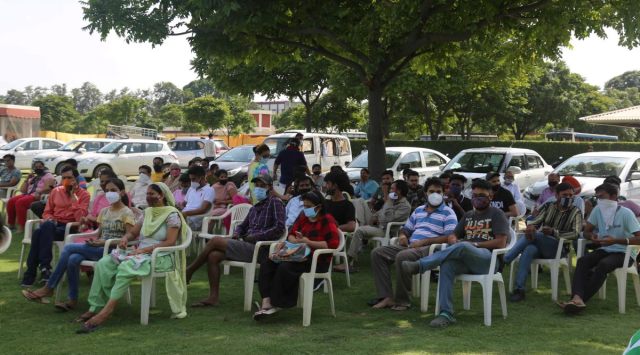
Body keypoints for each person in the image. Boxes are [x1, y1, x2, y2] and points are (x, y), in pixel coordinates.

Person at [75, 182, 188, 332]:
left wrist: (146, 250)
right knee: (104, 262)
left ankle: (106, 312)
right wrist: (126, 238)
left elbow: (170, 241)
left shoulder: (172, 214)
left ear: (162, 195)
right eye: (147, 194)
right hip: (141, 253)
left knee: (126, 265)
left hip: (160, 256)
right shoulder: (147, 213)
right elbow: (133, 232)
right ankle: (95, 306)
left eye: (152, 194)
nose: (148, 197)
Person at [401, 179, 510, 327]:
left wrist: (474, 244)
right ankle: (446, 313)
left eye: (482, 195)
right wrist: (454, 241)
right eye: (475, 195)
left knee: (464, 245)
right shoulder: (469, 215)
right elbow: (453, 235)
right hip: (466, 259)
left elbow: (501, 242)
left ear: (490, 196)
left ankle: (420, 266)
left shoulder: (497, 214)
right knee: (447, 264)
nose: (478, 198)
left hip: (488, 261)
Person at [21, 178, 135, 310]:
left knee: (69, 248)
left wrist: (103, 242)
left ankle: (49, 288)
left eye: (113, 190)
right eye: (107, 190)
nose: (109, 193)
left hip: (112, 251)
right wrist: (92, 239)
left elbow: (129, 237)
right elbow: (99, 233)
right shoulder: (105, 211)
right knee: (73, 259)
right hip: (98, 248)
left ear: (121, 192)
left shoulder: (127, 212)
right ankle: (72, 299)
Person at [186, 174, 285, 307]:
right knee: (213, 256)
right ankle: (213, 297)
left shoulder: (275, 203)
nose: (259, 188)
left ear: (269, 188)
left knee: (215, 240)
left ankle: (190, 270)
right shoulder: (255, 207)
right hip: (247, 245)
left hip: (262, 249)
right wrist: (237, 233)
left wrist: (256, 237)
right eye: (257, 185)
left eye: (263, 186)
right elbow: (242, 226)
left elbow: (279, 228)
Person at [369, 177, 458, 310]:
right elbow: (406, 228)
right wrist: (403, 235)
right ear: (425, 193)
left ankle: (402, 300)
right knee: (377, 253)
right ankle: (386, 296)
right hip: (411, 246)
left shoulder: (448, 212)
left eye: (438, 192)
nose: (435, 194)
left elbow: (450, 237)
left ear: (443, 193)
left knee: (402, 256)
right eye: (431, 191)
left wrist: (426, 241)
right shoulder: (419, 210)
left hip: (431, 249)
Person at [253, 190, 340, 320]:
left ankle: (277, 302)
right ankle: (267, 300)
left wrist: (307, 242)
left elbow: (332, 245)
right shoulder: (303, 217)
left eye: (308, 206)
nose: (305, 209)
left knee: (285, 267)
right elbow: (292, 233)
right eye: (304, 205)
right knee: (268, 262)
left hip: (317, 261)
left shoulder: (327, 220)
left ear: (319, 206)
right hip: (297, 254)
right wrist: (294, 240)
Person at [559, 183, 640, 315]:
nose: (599, 200)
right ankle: (577, 299)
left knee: (603, 265)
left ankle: (578, 300)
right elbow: (586, 232)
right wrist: (592, 236)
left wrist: (614, 240)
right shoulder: (598, 210)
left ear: (614, 196)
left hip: (625, 252)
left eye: (602, 197)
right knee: (583, 261)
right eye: (597, 198)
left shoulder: (626, 213)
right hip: (605, 249)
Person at [504, 182, 582, 302]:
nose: (568, 198)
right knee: (529, 250)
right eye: (564, 195)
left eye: (571, 195)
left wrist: (553, 232)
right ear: (556, 195)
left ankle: (506, 258)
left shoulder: (576, 211)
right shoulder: (549, 206)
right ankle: (519, 290)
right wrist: (531, 226)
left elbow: (575, 233)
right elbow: (536, 221)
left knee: (535, 235)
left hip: (559, 248)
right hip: (540, 244)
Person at [20, 166, 90, 287]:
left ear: (76, 179)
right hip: (53, 224)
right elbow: (47, 212)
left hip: (70, 227)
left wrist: (73, 197)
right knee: (45, 227)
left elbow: (80, 218)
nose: (66, 180)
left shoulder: (84, 195)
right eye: (64, 178)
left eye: (70, 177)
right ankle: (44, 269)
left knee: (38, 233)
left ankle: (32, 273)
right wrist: (50, 219)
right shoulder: (56, 191)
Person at [339, 180, 411, 272]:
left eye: (392, 189)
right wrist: (374, 217)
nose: (390, 191)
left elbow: (388, 219)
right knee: (359, 201)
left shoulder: (405, 206)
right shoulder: (393, 201)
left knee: (359, 231)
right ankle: (362, 226)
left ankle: (348, 262)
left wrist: (388, 201)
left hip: (385, 230)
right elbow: (380, 213)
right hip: (377, 225)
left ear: (399, 191)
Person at [7, 161, 55, 231]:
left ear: (43, 167)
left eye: (40, 167)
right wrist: (27, 179)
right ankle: (11, 225)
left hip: (38, 196)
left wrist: (39, 192)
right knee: (11, 201)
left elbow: (49, 188)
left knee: (20, 202)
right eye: (36, 167)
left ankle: (21, 227)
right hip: (28, 194)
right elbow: (23, 190)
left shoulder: (48, 176)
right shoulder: (34, 177)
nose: (38, 168)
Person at [181, 165, 215, 232]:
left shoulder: (209, 190)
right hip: (186, 216)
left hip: (197, 219)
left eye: (193, 179)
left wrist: (185, 213)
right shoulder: (191, 189)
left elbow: (203, 210)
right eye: (190, 179)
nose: (191, 181)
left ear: (201, 178)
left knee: (173, 223)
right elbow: (184, 204)